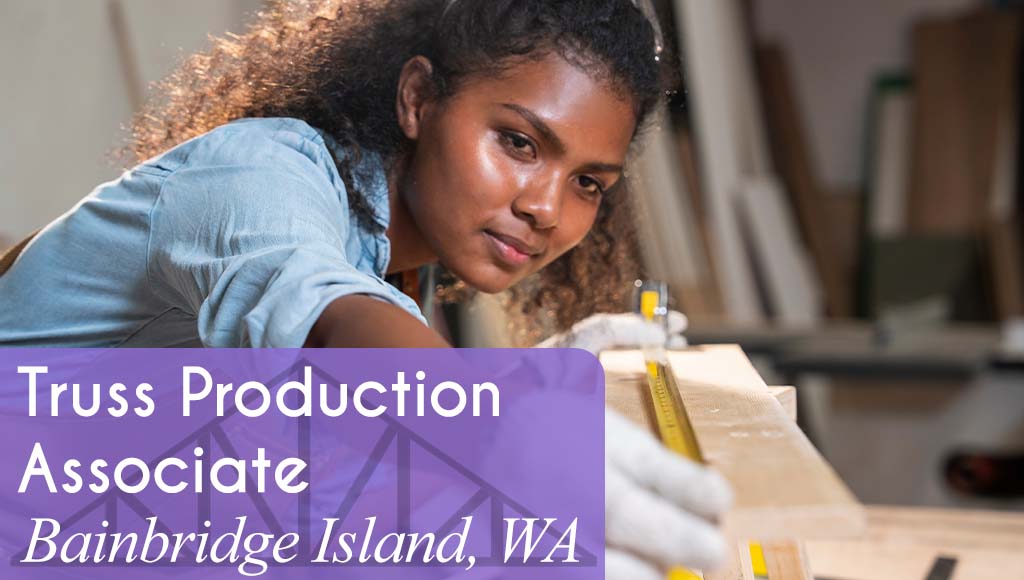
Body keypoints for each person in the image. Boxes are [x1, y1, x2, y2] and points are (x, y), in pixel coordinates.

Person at [0, 0, 731, 575]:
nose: (546, 207)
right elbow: (328, 323)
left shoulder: (389, 257)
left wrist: (518, 383)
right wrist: (497, 421)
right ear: (418, 98)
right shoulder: (259, 178)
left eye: (587, 184)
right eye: (518, 142)